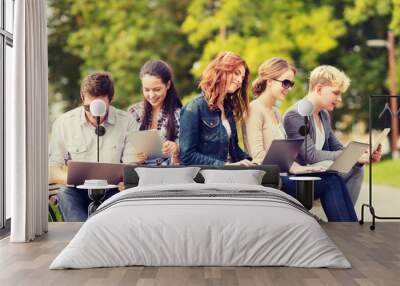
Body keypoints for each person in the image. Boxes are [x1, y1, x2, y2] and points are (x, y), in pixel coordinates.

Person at [243, 58, 357, 221]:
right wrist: (294, 168)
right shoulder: (255, 109)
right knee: (330, 181)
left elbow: (282, 154)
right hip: (269, 180)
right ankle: (349, 232)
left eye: (291, 84)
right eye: (285, 83)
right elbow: (258, 155)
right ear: (269, 81)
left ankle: (350, 229)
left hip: (282, 175)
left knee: (333, 177)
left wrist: (298, 167)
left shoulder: (275, 112)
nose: (288, 88)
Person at [283, 65, 382, 205]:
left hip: (319, 170)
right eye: (336, 93)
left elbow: (336, 147)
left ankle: (346, 219)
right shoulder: (296, 114)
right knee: (351, 166)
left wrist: (362, 153)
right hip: (300, 176)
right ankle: (343, 220)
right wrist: (353, 156)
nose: (340, 99)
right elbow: (310, 155)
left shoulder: (323, 114)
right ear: (318, 89)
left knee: (357, 169)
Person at [49, 71, 135, 222]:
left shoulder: (127, 122)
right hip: (77, 190)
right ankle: (81, 236)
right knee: (64, 193)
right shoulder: (64, 123)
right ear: (82, 98)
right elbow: (52, 170)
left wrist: (127, 182)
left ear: (111, 99)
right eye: (88, 108)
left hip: (113, 190)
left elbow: (131, 166)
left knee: (125, 196)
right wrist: (78, 179)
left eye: (100, 108)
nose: (93, 115)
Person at [179, 51, 254, 166]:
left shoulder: (228, 108)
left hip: (231, 174)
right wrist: (226, 166)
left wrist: (252, 162)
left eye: (242, 77)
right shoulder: (194, 107)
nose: (240, 80)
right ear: (220, 72)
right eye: (236, 73)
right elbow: (187, 156)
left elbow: (233, 149)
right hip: (209, 178)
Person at [128, 60, 182, 165]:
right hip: (138, 175)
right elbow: (125, 151)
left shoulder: (179, 115)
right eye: (146, 90)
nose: (151, 95)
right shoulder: (133, 112)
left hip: (167, 175)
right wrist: (135, 157)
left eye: (157, 89)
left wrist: (176, 150)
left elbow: (182, 161)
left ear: (168, 85)